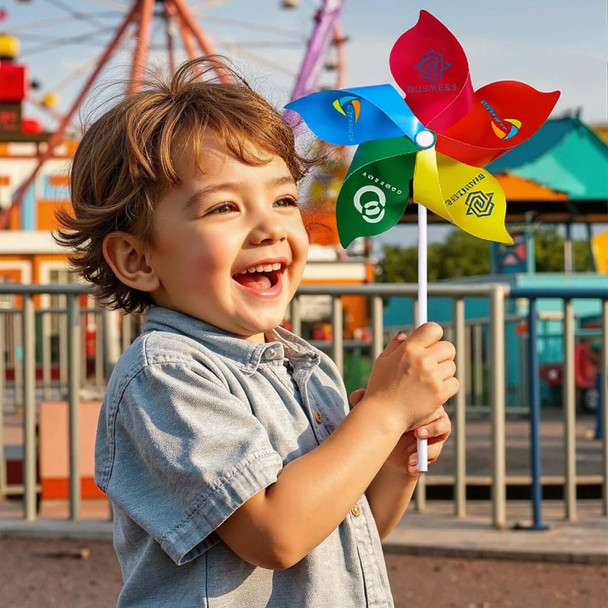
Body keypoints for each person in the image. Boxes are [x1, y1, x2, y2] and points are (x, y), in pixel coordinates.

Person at [56, 57, 459, 607]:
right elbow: (277, 533)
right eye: (224, 206)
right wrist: (383, 412)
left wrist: (390, 454)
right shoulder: (167, 374)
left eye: (284, 199)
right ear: (136, 258)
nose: (269, 226)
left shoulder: (307, 368)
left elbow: (349, 525)